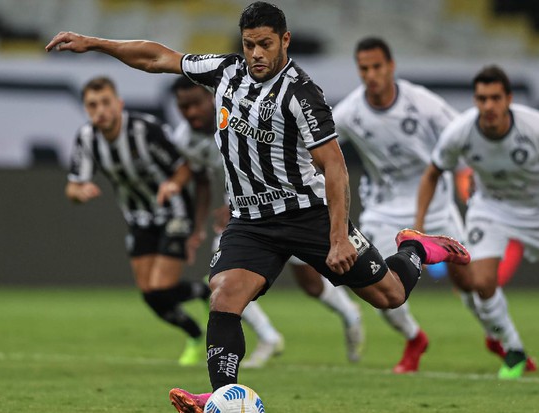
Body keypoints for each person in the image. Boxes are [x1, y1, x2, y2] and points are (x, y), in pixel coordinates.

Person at [46, 3, 470, 411]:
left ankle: (415, 246)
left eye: (265, 44)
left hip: (307, 214)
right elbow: (159, 57)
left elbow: (335, 167)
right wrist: (94, 43)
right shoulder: (226, 71)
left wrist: (338, 235)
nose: (255, 54)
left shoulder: (302, 95)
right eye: (249, 44)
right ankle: (222, 399)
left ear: (285, 40)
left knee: (389, 295)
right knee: (225, 295)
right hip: (250, 221)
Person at [332, 37, 535, 374]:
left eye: (377, 67)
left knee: (472, 283)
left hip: (437, 207)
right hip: (384, 212)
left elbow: (463, 139)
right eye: (364, 69)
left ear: (391, 66)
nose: (371, 75)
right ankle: (414, 339)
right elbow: (318, 146)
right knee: (379, 290)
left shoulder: (422, 103)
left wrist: (471, 180)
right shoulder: (349, 113)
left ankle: (503, 340)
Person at [170, 75, 364, 368]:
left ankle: (349, 313)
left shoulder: (247, 113)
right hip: (246, 216)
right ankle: (268, 336)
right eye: (184, 107)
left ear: (212, 97)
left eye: (196, 103)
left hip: (293, 206)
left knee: (311, 284)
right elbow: (202, 180)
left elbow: (304, 155)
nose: (192, 112)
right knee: (222, 284)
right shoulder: (185, 139)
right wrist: (206, 220)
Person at [416, 65, 539, 379]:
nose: (489, 106)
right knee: (481, 283)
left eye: (495, 98)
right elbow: (432, 173)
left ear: (508, 98)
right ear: (475, 100)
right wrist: (418, 226)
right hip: (490, 209)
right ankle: (514, 350)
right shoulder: (460, 132)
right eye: (482, 99)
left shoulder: (536, 126)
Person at [65, 76, 211, 367]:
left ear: (118, 104)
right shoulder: (86, 138)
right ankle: (195, 329)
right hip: (138, 218)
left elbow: (185, 168)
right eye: (92, 105)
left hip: (174, 212)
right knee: (150, 295)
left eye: (106, 102)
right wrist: (79, 192)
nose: (100, 111)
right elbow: (71, 186)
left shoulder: (145, 130)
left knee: (161, 287)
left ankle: (205, 295)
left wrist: (172, 185)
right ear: (85, 109)